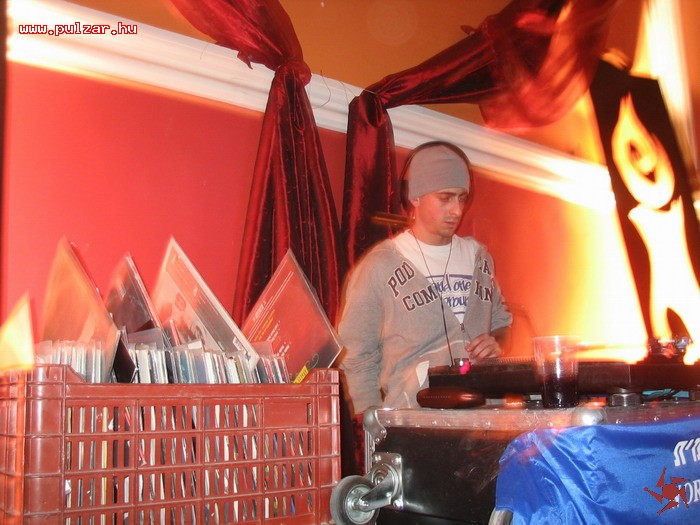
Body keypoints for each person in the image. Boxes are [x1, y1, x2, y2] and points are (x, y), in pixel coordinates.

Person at [337, 141, 512, 416]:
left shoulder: (480, 258)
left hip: (484, 419)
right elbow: (356, 355)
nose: (457, 210)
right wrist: (373, 420)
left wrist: (497, 342)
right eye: (445, 198)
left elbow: (502, 322)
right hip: (415, 423)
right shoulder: (379, 266)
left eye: (462, 198)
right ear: (415, 197)